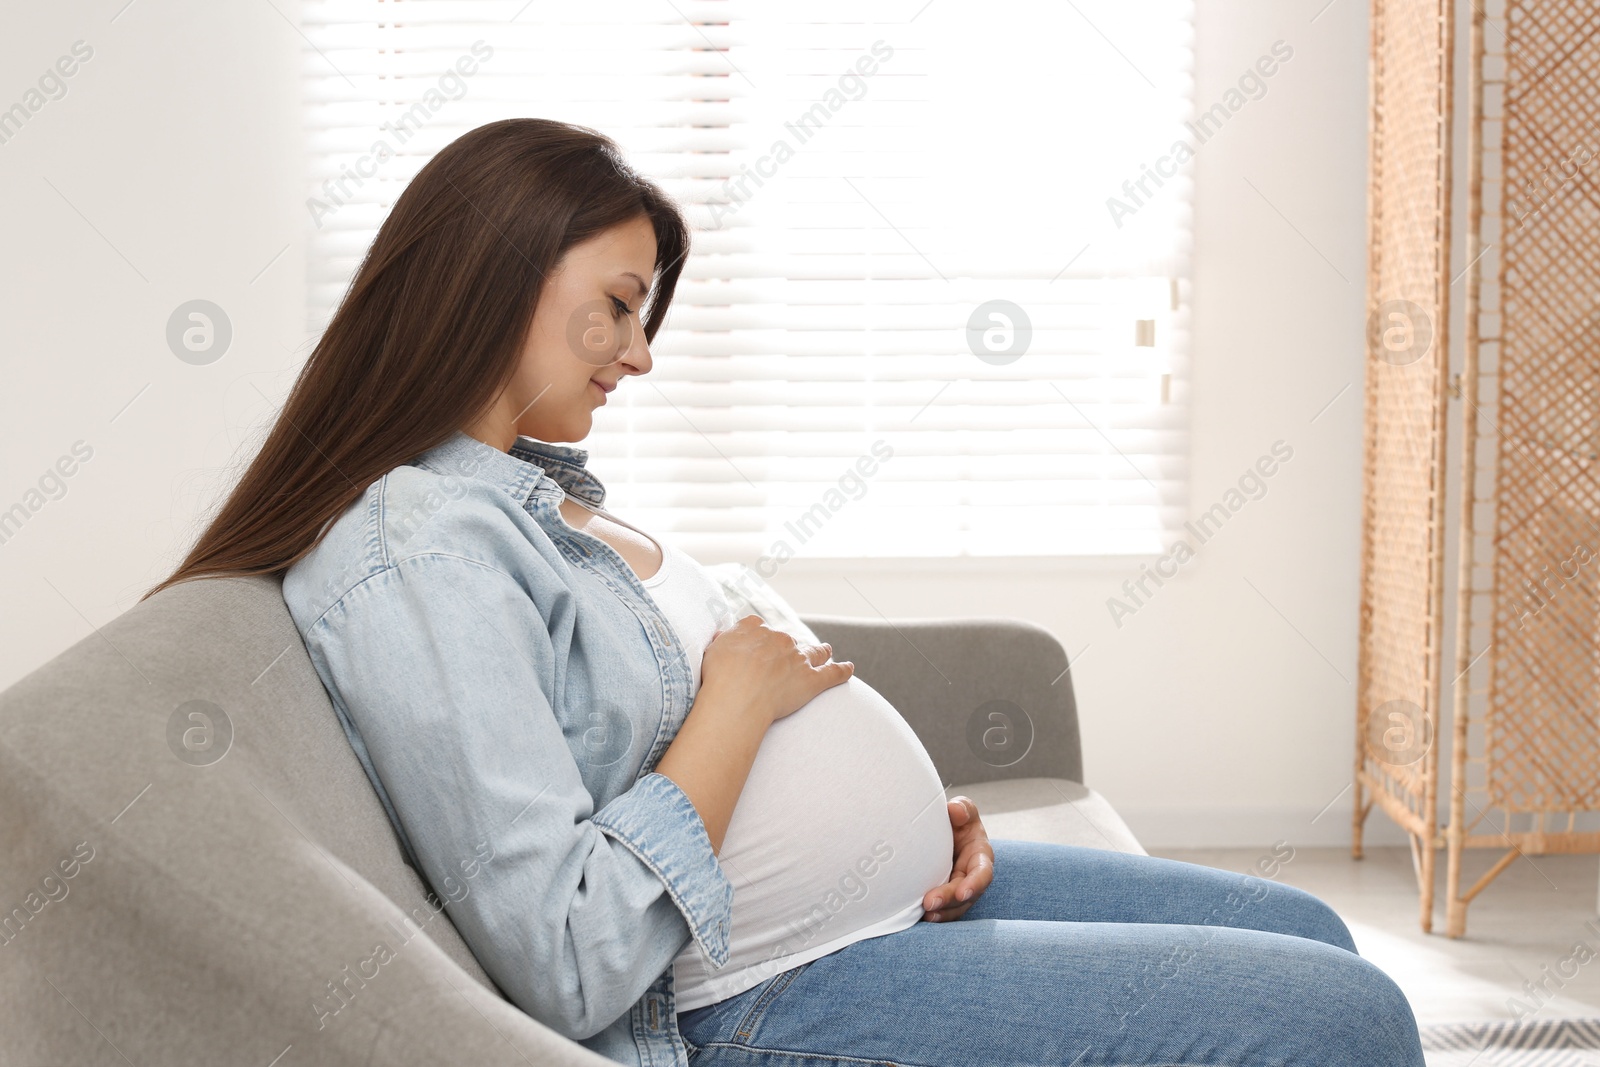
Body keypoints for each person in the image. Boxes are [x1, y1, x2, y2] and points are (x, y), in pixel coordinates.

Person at [146, 117, 1426, 1067]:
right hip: (751, 1000)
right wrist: (737, 711)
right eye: (617, 306)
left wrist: (924, 818)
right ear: (492, 270)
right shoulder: (419, 553)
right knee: (1347, 1020)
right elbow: (563, 951)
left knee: (1310, 925)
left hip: (898, 905)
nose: (639, 355)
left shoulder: (539, 500)